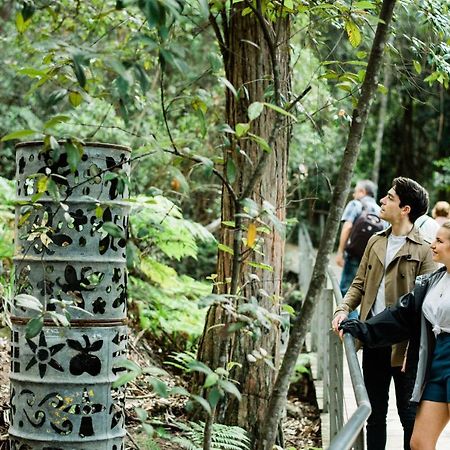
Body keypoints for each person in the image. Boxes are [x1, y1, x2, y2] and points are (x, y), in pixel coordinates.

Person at [332, 177, 437, 450]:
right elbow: (359, 284)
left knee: (407, 419)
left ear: (405, 209)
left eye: (389, 198)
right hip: (373, 340)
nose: (382, 200)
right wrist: (343, 309)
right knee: (374, 416)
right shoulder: (375, 242)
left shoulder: (425, 250)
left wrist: (415, 350)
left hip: (405, 349)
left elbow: (424, 307)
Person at [335, 179, 381, 297]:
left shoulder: (355, 204)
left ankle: (349, 316)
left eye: (355, 191)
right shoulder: (380, 210)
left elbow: (347, 227)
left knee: (347, 289)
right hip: (372, 256)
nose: (353, 194)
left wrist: (340, 251)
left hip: (354, 254)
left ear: (362, 191)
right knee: (365, 292)